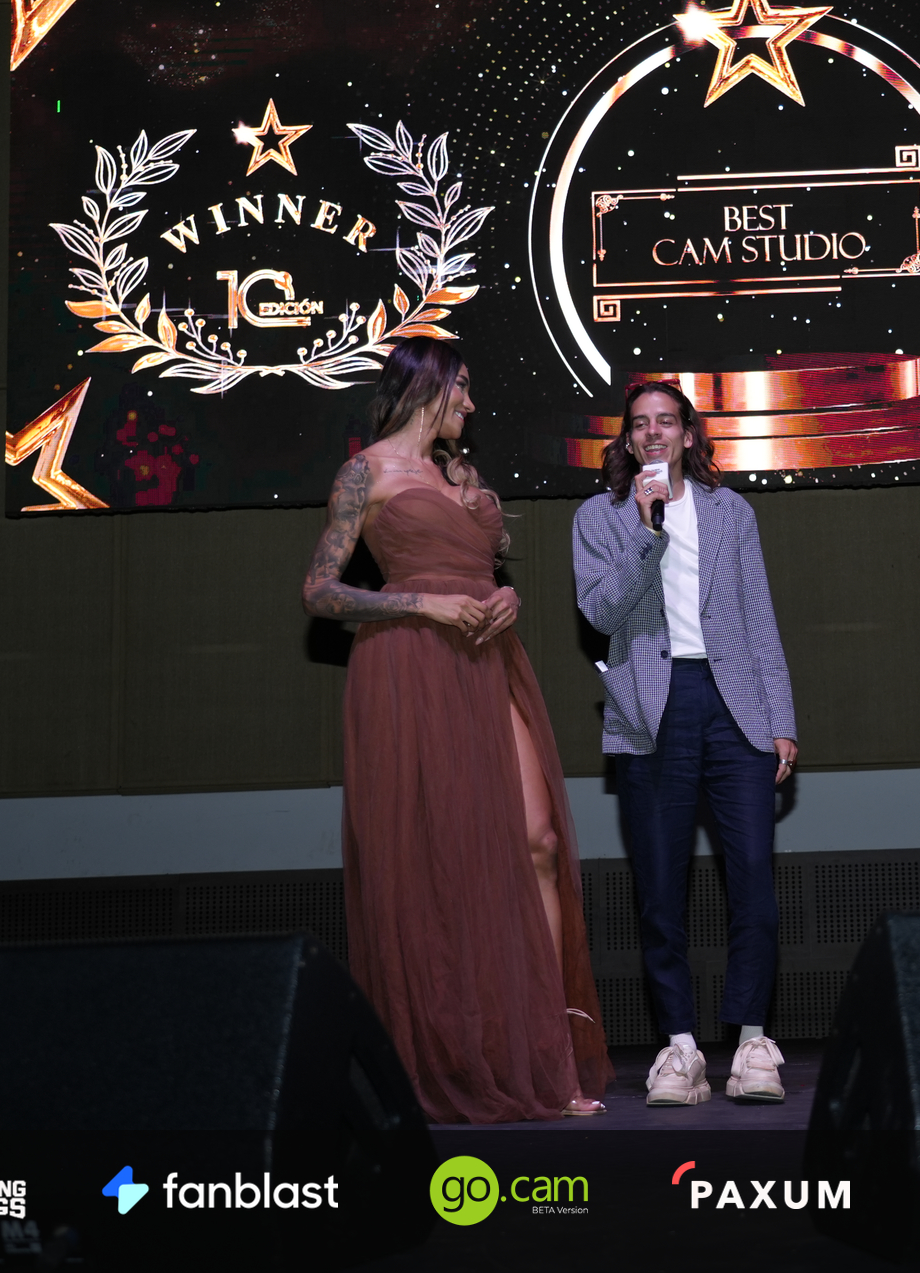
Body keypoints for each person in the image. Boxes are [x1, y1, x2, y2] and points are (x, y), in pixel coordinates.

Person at [302, 336, 609, 1121]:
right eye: (462, 388)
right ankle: (448, 1056)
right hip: (408, 666)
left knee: (539, 841)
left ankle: (546, 1055)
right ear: (427, 386)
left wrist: (507, 597)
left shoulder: (461, 476)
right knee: (435, 861)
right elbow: (320, 592)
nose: (471, 404)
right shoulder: (364, 473)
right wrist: (421, 601)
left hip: (486, 658)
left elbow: (485, 574)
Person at [572, 380, 798, 1107]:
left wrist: (782, 717)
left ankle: (753, 1042)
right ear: (627, 439)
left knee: (753, 880)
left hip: (736, 708)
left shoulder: (731, 512)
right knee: (660, 892)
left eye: (667, 421)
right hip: (653, 711)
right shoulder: (599, 517)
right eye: (641, 424)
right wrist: (647, 531)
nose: (654, 433)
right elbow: (601, 612)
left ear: (689, 434)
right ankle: (680, 1049)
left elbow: (759, 616)